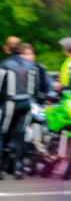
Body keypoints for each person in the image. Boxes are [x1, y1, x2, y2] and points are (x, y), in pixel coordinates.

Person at [0, 43, 43, 179]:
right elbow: (37, 87)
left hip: (10, 102)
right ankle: (19, 168)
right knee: (21, 134)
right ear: (20, 50)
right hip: (27, 103)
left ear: (7, 49)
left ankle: (1, 168)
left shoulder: (4, 64)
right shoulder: (31, 65)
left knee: (2, 133)